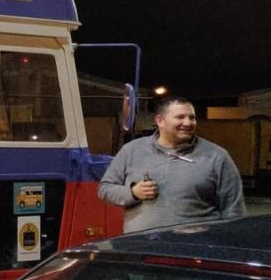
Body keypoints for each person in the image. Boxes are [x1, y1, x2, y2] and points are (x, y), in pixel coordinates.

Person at [98, 96, 245, 233]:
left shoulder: (216, 156)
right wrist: (133, 193)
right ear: (160, 120)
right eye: (180, 117)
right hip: (141, 247)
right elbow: (105, 189)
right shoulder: (132, 150)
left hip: (193, 250)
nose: (188, 123)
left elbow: (234, 211)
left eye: (192, 118)